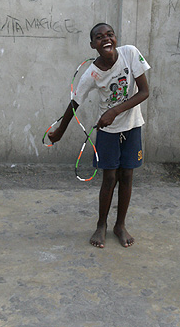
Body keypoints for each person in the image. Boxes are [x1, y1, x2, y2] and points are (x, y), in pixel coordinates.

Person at [48, 22, 150, 248]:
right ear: (93, 44)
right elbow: (75, 102)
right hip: (108, 131)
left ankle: (120, 225)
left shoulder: (130, 54)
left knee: (127, 176)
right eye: (99, 37)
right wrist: (60, 132)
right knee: (110, 178)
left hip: (132, 126)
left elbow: (144, 91)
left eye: (110, 35)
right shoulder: (91, 74)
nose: (106, 39)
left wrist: (114, 111)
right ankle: (101, 225)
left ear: (115, 38)